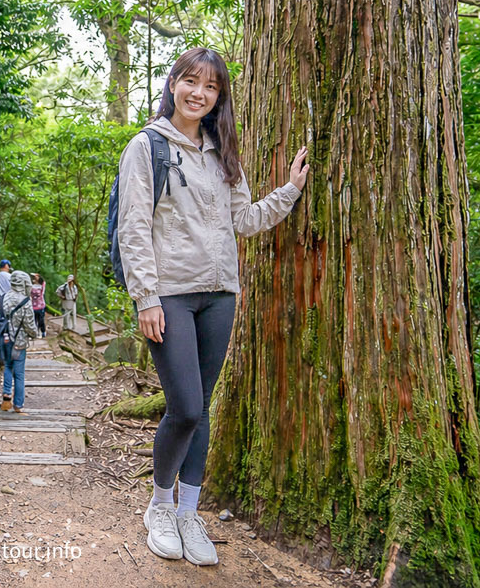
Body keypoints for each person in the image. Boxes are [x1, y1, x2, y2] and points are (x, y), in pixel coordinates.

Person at [117, 47, 308, 567]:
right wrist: (146, 298)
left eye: (211, 86)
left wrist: (289, 191)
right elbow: (133, 227)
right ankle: (160, 506)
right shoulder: (147, 146)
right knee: (185, 407)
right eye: (190, 81)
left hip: (221, 294)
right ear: (173, 84)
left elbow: (242, 220)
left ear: (219, 97)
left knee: (202, 409)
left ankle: (189, 513)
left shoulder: (223, 152)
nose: (198, 93)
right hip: (170, 295)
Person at [0, 270, 39, 413]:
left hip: (5, 339)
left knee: (8, 366)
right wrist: (34, 334)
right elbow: (29, 325)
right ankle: (18, 405)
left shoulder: (3, 298)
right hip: (19, 342)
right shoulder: (25, 301)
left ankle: (6, 395)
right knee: (19, 374)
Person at [30, 273, 47, 337]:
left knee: (41, 320)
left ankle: (43, 331)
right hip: (33, 306)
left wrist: (38, 278)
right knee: (34, 320)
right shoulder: (31, 286)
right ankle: (35, 333)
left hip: (41, 305)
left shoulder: (42, 285)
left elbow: (43, 282)